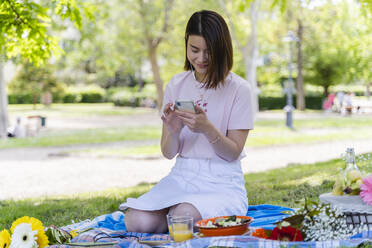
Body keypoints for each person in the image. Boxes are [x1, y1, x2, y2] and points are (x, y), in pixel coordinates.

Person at [119, 10, 254, 233]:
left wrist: (207, 129)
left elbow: (232, 152)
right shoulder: (177, 84)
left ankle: (173, 215)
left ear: (222, 49)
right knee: (136, 221)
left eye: (209, 52)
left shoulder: (239, 89)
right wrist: (172, 131)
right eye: (194, 50)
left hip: (222, 182)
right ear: (186, 46)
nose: (201, 59)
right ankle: (168, 216)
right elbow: (168, 152)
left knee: (183, 217)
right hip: (182, 176)